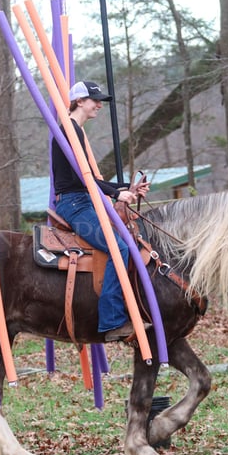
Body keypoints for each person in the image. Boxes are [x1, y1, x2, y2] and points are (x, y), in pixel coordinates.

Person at [51, 81, 151, 342]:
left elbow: (88, 179)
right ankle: (112, 321)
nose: (98, 105)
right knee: (120, 248)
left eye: (99, 101)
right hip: (75, 204)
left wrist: (126, 188)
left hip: (81, 199)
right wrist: (118, 193)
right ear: (79, 101)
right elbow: (83, 180)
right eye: (94, 100)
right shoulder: (69, 131)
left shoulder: (76, 130)